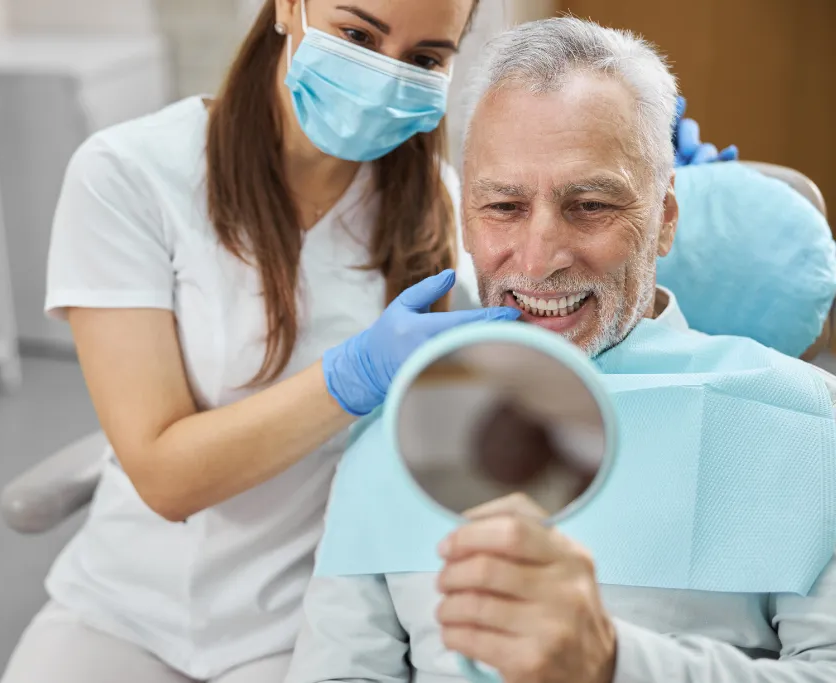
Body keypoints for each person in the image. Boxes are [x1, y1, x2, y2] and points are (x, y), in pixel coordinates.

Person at [285, 17, 836, 683]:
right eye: (505, 207)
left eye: (591, 204)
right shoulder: (397, 423)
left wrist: (612, 663)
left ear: (664, 218)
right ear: (466, 217)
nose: (540, 258)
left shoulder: (807, 423)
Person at [0, 1, 531, 682]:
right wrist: (351, 377)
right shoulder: (129, 175)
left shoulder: (439, 210)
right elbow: (164, 475)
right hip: (121, 608)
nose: (383, 72)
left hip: (304, 626)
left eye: (425, 60)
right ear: (286, 7)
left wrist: (669, 203)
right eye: (357, 34)